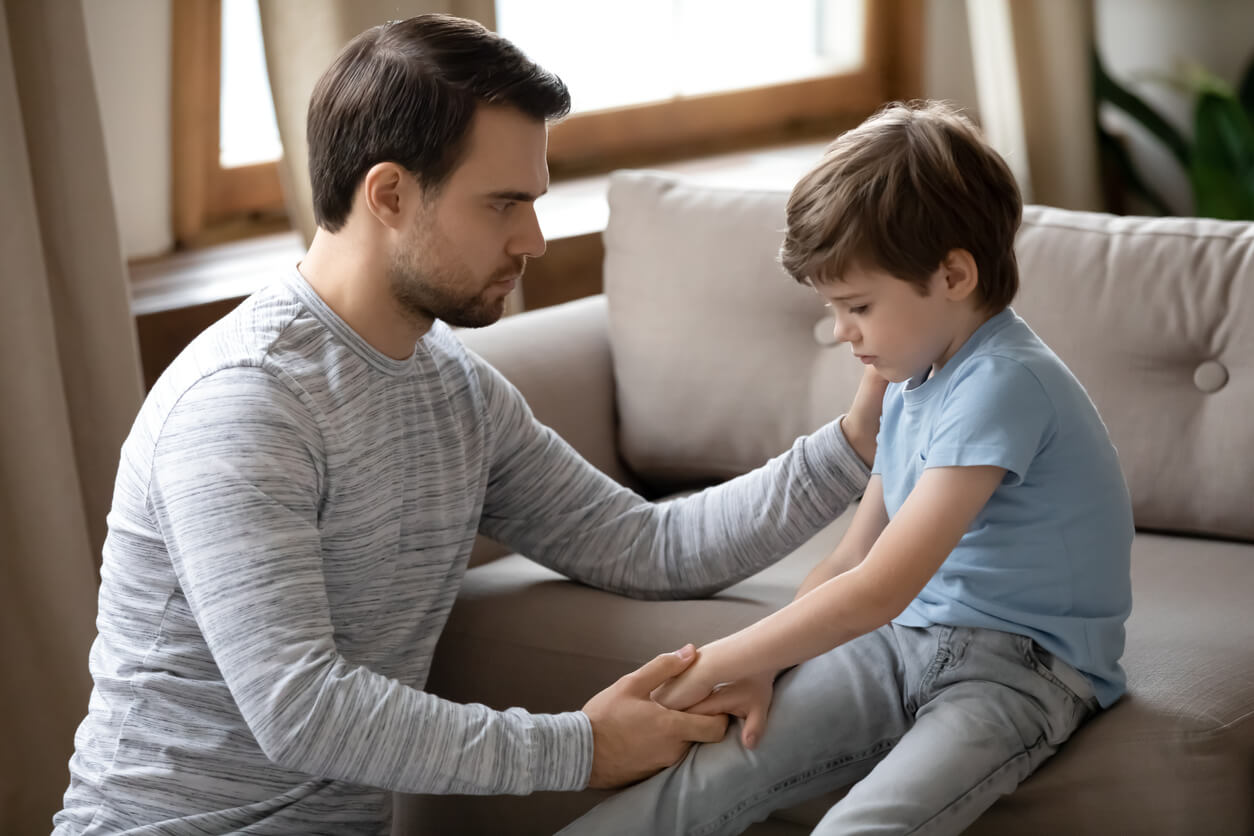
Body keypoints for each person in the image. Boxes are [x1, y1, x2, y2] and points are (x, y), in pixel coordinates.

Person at [52, 14, 887, 835]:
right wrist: (582, 749)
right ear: (388, 194)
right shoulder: (247, 404)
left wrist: (851, 447)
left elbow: (644, 546)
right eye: (502, 204)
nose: (533, 238)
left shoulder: (452, 388)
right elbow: (300, 708)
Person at [559, 100, 1135, 836]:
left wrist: (715, 662)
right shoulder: (909, 377)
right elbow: (851, 558)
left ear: (954, 273)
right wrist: (767, 665)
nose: (841, 333)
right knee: (698, 784)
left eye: (857, 304)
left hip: (1019, 673)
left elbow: (880, 589)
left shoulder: (1005, 385)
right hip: (901, 644)